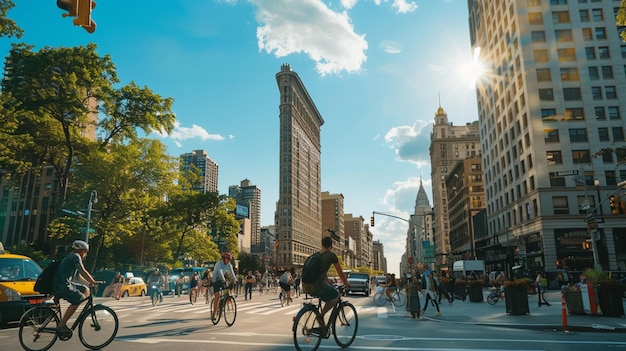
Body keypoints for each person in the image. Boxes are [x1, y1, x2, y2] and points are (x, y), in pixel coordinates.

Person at [53, 240, 101, 337]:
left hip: (63, 284)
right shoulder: (75, 256)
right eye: (85, 251)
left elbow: (79, 275)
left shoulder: (71, 256)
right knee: (79, 298)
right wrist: (93, 282)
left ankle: (79, 308)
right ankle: (61, 325)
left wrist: (88, 283)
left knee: (84, 289)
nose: (85, 254)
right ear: (81, 250)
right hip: (62, 286)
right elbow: (82, 271)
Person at [301, 236, 350, 333]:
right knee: (335, 296)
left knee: (327, 293)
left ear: (322, 244)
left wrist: (327, 280)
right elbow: (340, 273)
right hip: (316, 285)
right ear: (331, 246)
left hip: (305, 285)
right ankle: (320, 316)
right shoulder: (331, 256)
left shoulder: (316, 255)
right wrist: (346, 283)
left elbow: (319, 271)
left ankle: (322, 327)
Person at [211, 252, 238, 320]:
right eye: (225, 258)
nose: (226, 259)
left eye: (228, 258)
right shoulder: (219, 264)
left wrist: (235, 280)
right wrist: (223, 279)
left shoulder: (229, 265)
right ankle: (214, 313)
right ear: (222, 258)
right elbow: (220, 272)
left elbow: (232, 273)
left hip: (223, 280)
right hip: (216, 279)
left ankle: (221, 306)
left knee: (227, 293)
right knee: (217, 295)